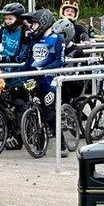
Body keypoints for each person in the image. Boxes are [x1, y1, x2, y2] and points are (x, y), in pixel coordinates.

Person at [20, 8, 68, 156]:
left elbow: (60, 61)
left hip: (50, 79)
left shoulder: (57, 39)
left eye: (34, 24)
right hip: (36, 77)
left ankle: (62, 145)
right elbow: (29, 62)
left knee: (49, 113)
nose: (32, 27)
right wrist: (20, 75)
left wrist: (44, 70)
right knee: (32, 105)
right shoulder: (34, 40)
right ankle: (39, 141)